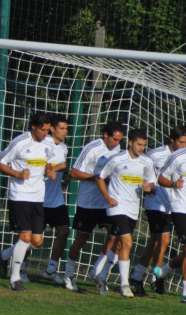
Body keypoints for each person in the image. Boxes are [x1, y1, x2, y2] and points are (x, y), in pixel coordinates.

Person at [0, 113, 55, 291]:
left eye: (47, 130)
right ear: (33, 127)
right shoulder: (20, 142)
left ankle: (5, 256)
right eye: (43, 130)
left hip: (38, 197)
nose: (46, 133)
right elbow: (0, 162)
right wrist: (17, 174)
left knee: (36, 241)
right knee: (25, 236)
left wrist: (49, 171)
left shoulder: (48, 144)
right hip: (19, 195)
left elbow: (47, 164)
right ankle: (15, 278)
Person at [63, 121, 124, 293]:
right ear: (105, 135)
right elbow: (74, 172)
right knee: (82, 238)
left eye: (120, 140)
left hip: (107, 203)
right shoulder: (92, 148)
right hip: (88, 203)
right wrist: (97, 178)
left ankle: (97, 272)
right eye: (114, 139)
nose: (116, 143)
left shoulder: (119, 151)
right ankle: (69, 275)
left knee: (116, 236)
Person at [96, 128, 156, 298]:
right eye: (139, 144)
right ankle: (124, 285)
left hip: (133, 209)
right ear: (130, 142)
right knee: (128, 242)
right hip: (116, 207)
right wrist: (108, 198)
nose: (141, 148)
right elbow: (99, 177)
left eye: (144, 145)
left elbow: (152, 183)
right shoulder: (116, 159)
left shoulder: (146, 162)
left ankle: (101, 275)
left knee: (120, 245)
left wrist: (148, 187)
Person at [130, 126, 186, 295]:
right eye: (182, 142)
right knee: (160, 240)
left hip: (174, 205)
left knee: (161, 242)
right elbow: (140, 168)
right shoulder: (155, 155)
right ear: (172, 140)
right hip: (156, 203)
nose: (184, 145)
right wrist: (146, 185)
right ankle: (142, 277)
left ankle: (155, 275)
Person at [40, 115, 69, 283]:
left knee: (64, 231)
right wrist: (51, 168)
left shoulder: (64, 148)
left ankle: (51, 269)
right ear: (52, 129)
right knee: (34, 238)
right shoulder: (42, 144)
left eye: (66, 128)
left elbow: (59, 168)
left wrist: (60, 170)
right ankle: (17, 265)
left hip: (56, 199)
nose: (65, 132)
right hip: (39, 198)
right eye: (62, 128)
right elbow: (38, 165)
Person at [157, 141, 186, 303]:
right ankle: (185, 292)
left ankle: (163, 272)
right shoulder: (177, 156)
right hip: (180, 208)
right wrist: (174, 184)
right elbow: (161, 179)